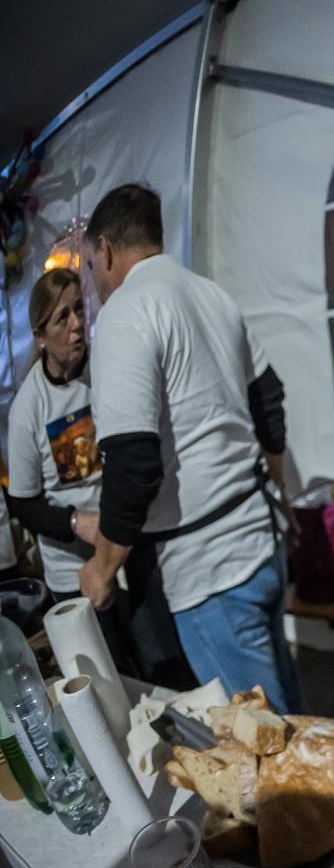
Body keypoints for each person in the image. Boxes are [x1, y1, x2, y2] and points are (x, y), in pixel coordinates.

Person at [77, 184, 301, 711]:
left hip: (210, 573)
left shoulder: (124, 314)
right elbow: (268, 402)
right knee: (289, 711)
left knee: (263, 747)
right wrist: (281, 495)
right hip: (259, 537)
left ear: (105, 249)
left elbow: (133, 464)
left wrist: (102, 569)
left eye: (89, 265)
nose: (93, 280)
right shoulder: (212, 295)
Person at [4, 268, 190, 683]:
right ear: (39, 335)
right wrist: (74, 521)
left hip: (130, 546)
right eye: (61, 318)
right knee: (111, 680)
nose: (75, 326)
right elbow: (22, 503)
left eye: (77, 310)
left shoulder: (106, 371)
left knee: (163, 665)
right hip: (73, 569)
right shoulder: (28, 410)